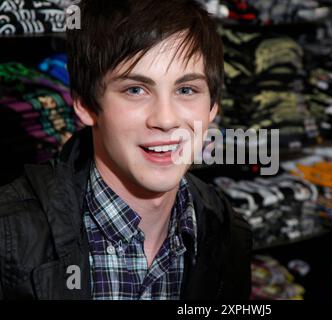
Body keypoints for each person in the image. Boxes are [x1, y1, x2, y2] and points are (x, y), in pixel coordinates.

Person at [0, 0, 252, 300]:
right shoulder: (10, 235)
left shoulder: (228, 234)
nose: (165, 119)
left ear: (212, 107)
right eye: (135, 90)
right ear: (85, 105)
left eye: (186, 90)